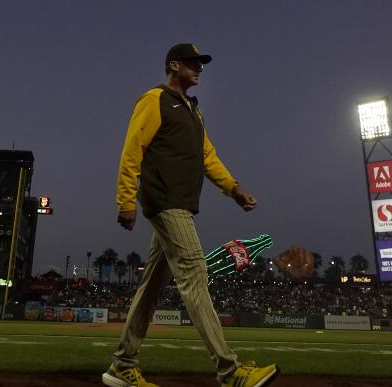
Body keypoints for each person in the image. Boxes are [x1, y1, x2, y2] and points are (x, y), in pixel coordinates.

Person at [103, 43, 278, 387]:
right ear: (174, 65)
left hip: (179, 204)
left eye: (201, 64)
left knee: (151, 288)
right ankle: (230, 372)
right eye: (193, 63)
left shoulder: (192, 112)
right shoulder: (154, 99)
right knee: (196, 276)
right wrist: (126, 200)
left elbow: (207, 156)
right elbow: (132, 150)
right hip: (165, 202)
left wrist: (234, 189)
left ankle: (122, 365)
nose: (200, 68)